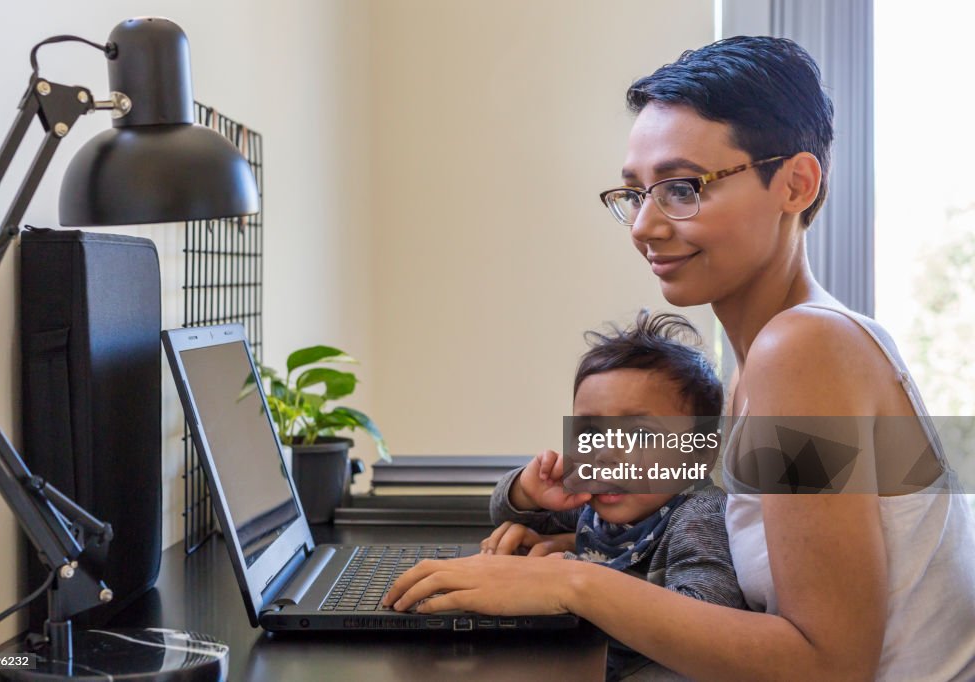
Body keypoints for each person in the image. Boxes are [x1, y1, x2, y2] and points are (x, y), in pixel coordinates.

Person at [384, 36, 975, 680]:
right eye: (636, 192)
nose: (644, 225)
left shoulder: (804, 348)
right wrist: (585, 556)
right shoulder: (774, 354)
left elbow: (829, 665)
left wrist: (576, 586)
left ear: (796, 184)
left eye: (683, 188)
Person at [482, 310, 745, 681]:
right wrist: (528, 489)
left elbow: (706, 613)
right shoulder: (599, 501)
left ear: (700, 454)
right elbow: (514, 514)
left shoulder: (697, 515)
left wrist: (573, 574)